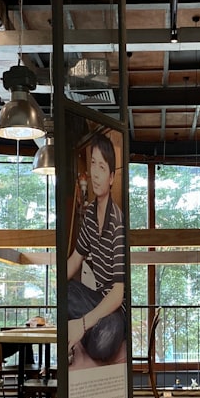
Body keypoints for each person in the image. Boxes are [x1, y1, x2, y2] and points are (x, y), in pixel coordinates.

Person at [66, 131, 126, 365]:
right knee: (65, 292)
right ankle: (87, 329)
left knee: (106, 338)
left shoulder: (117, 223)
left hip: (114, 309)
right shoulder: (90, 214)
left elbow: (118, 294)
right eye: (93, 165)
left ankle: (82, 330)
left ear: (111, 177)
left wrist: (82, 323)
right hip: (96, 300)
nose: (95, 174)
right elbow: (75, 259)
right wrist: (54, 289)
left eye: (102, 167)